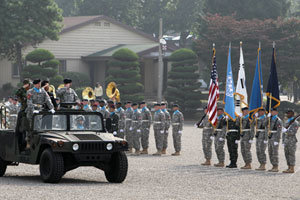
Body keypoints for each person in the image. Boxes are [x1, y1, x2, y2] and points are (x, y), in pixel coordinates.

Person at [26, 79, 55, 149]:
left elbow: (48, 99)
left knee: (38, 128)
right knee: (30, 127)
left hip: (40, 111)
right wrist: (33, 109)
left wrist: (51, 108)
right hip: (31, 112)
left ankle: (36, 143)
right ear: (35, 84)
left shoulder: (43, 91)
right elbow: (29, 102)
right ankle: (28, 142)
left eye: (40, 83)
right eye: (39, 84)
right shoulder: (30, 91)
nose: (40, 85)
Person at [267, 108, 282, 172]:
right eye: (271, 112)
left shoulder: (278, 120)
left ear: (276, 112)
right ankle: (273, 165)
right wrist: (267, 118)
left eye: (273, 111)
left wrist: (277, 140)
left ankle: (276, 166)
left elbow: (279, 131)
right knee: (270, 152)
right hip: (270, 137)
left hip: (275, 137)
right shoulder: (270, 119)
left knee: (274, 152)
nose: (272, 113)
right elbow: (264, 124)